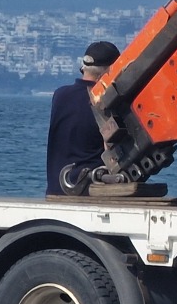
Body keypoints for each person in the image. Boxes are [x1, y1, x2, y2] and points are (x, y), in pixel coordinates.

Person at [45, 40, 121, 195]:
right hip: (88, 191)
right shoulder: (106, 102)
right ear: (108, 73)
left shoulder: (60, 95)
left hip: (56, 189)